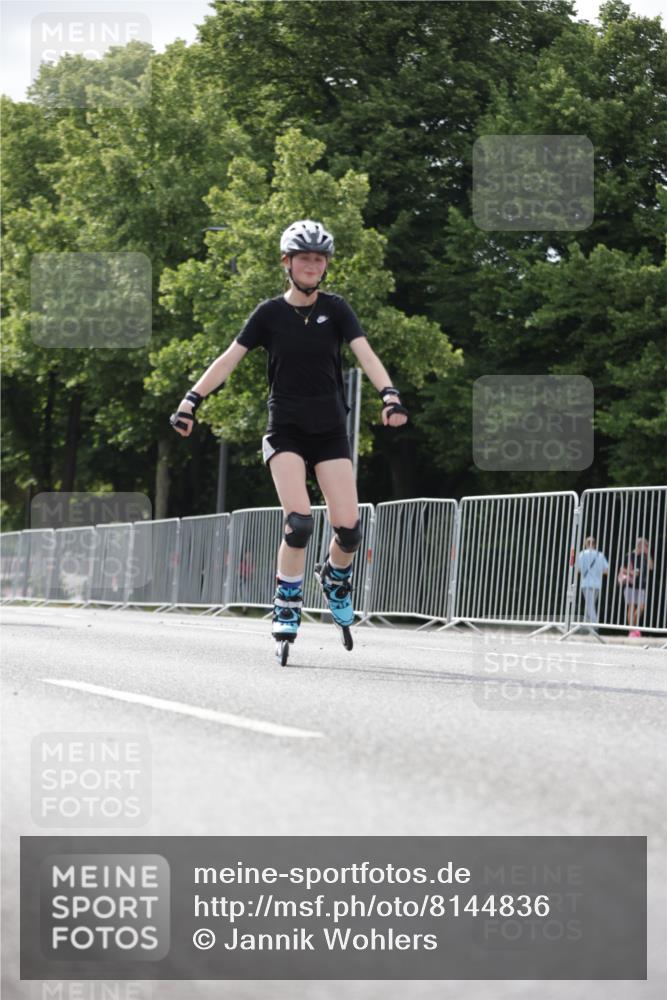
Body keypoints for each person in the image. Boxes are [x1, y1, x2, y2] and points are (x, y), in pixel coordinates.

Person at [170, 219, 408, 644]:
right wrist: (191, 400)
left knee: (349, 530)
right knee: (298, 524)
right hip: (286, 431)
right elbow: (228, 359)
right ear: (288, 263)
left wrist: (389, 394)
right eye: (304, 258)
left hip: (330, 430)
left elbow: (365, 354)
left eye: (319, 259)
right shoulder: (269, 314)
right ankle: (286, 602)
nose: (313, 265)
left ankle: (334, 578)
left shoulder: (336, 310)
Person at [619, 537, 654, 638]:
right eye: (645, 546)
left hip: (641, 585)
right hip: (631, 584)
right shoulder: (629, 555)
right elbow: (622, 569)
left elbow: (651, 567)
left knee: (641, 606)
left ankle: (633, 628)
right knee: (631, 606)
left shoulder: (644, 557)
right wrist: (632, 572)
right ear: (640, 545)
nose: (646, 548)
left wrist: (647, 554)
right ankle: (632, 630)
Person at [577, 536, 609, 631]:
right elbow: (606, 570)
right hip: (597, 584)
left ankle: (594, 626)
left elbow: (578, 569)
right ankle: (586, 627)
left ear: (586, 544)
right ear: (595, 544)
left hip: (586, 583)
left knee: (590, 605)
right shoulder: (600, 555)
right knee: (590, 605)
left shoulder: (582, 554)